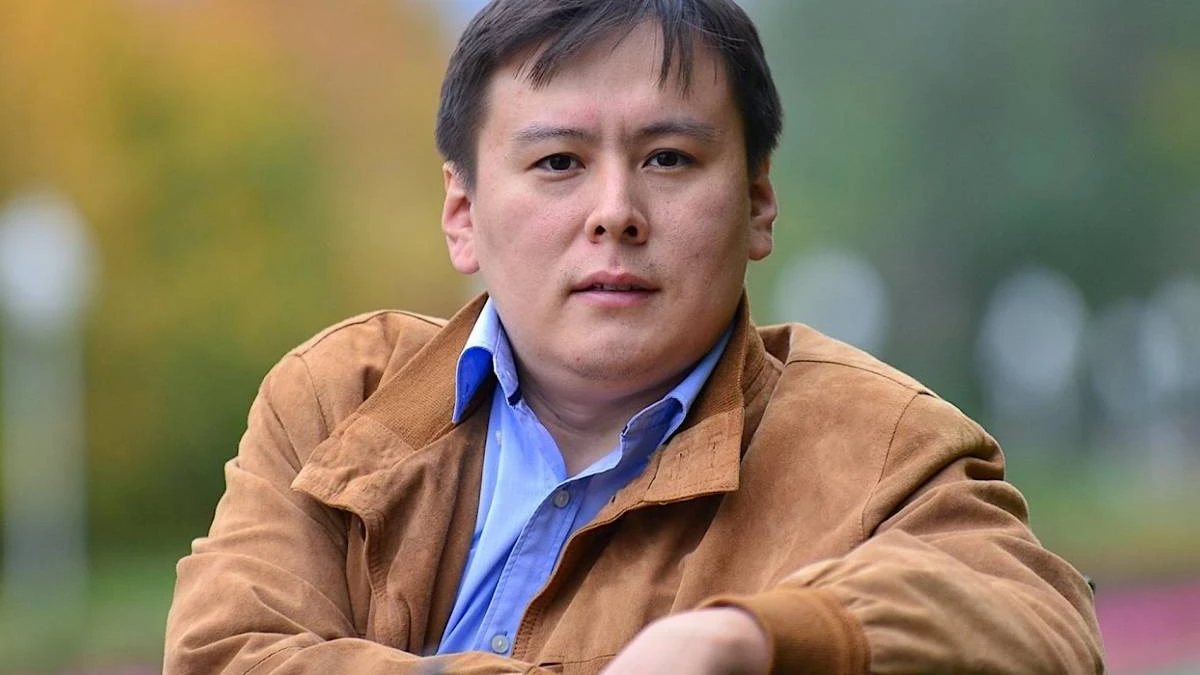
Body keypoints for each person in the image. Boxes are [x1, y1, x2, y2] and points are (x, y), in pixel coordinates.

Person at [163, 0, 1105, 672]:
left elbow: (1040, 624)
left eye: (668, 157)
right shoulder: (340, 396)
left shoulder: (877, 444)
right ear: (462, 212)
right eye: (558, 162)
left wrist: (752, 639)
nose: (614, 211)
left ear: (758, 200)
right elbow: (226, 654)